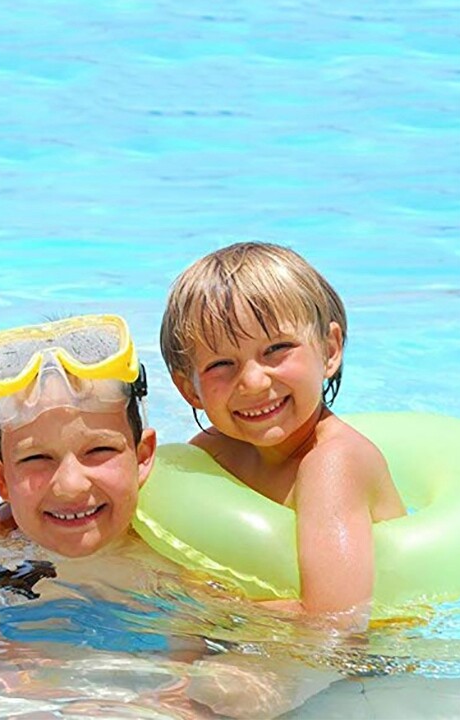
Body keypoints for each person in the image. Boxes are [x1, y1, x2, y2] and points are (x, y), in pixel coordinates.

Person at [0, 315, 337, 718]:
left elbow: (272, 640)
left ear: (143, 457)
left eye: (99, 452)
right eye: (36, 458)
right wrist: (37, 698)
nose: (70, 485)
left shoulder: (176, 553)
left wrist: (172, 701)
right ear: (1, 476)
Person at [159, 242, 406, 621]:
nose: (254, 382)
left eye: (276, 349)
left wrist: (208, 606)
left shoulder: (333, 463)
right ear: (189, 389)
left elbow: (336, 622)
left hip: (365, 666)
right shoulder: (215, 453)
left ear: (330, 349)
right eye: (222, 363)